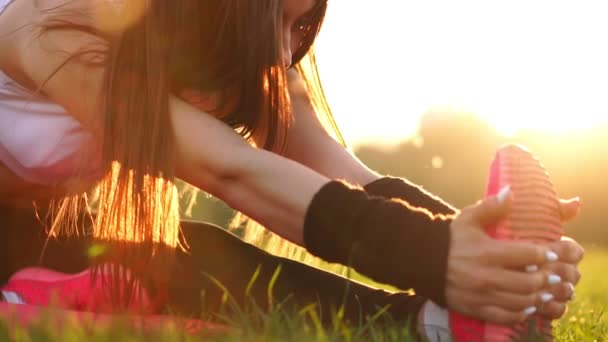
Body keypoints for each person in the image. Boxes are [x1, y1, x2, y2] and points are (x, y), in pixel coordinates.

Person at [0, 0, 583, 338]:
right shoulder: (47, 29)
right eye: (278, 19)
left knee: (181, 260)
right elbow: (230, 171)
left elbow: (343, 175)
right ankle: (426, 327)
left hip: (31, 230)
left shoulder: (250, 59)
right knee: (189, 257)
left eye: (301, 26)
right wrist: (437, 257)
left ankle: (435, 324)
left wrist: (479, 241)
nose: (284, 51)